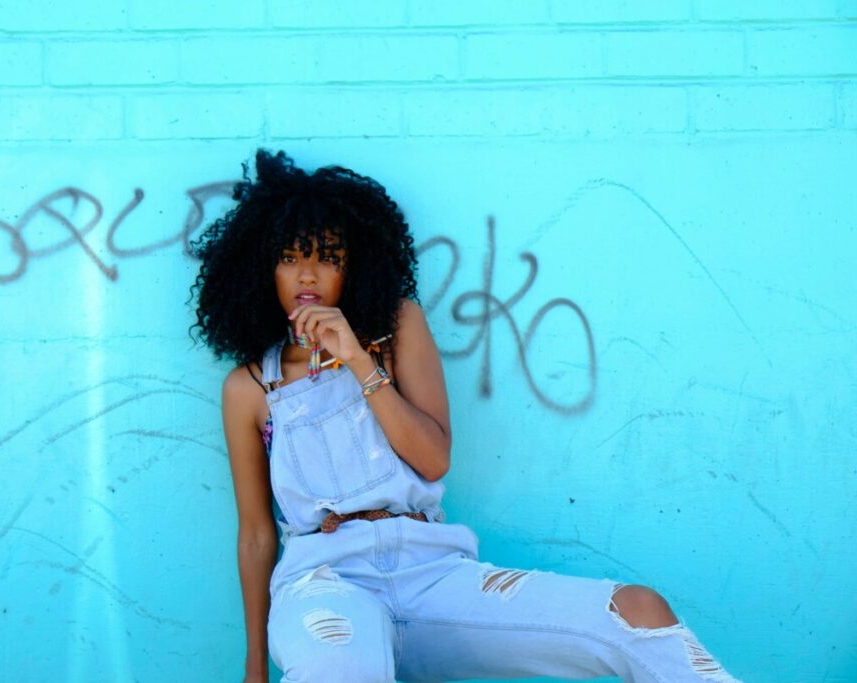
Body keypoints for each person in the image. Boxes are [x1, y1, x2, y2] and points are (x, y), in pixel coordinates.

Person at [189, 149, 739, 683]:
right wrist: (255, 667)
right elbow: (258, 536)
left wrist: (356, 359)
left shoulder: (395, 328)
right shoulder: (249, 387)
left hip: (433, 575)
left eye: (327, 257)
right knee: (342, 664)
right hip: (325, 583)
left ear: (352, 270)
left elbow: (432, 459)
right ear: (263, 268)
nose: (307, 275)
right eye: (290, 257)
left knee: (637, 614)